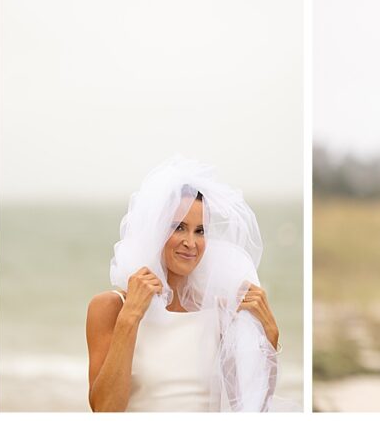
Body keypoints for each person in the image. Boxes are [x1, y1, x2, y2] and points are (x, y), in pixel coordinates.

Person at [85, 157, 281, 412]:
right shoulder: (110, 307)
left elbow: (251, 409)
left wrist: (269, 337)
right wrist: (130, 317)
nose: (191, 242)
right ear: (153, 230)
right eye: (179, 227)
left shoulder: (220, 313)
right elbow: (104, 410)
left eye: (200, 231)